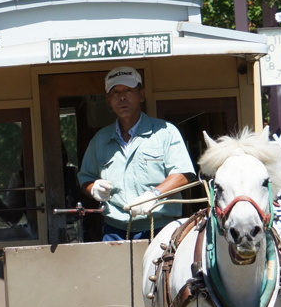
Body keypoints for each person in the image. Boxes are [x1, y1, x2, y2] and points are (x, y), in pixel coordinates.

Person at [78, 66, 195, 241]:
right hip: (114, 230)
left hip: (160, 227)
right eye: (115, 92)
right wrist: (93, 188)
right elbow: (85, 178)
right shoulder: (100, 140)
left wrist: (153, 196)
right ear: (108, 100)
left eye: (128, 90)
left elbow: (184, 175)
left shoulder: (165, 132)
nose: (122, 96)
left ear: (141, 95)